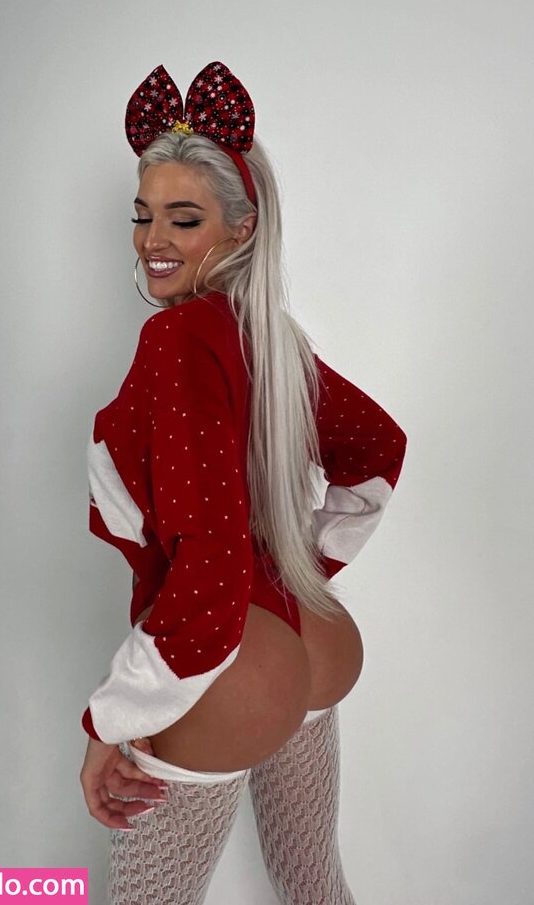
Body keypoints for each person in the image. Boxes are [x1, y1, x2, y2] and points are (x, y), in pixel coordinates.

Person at [79, 61, 408, 905]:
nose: (152, 239)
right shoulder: (270, 334)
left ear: (241, 228)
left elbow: (211, 561)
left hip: (227, 663)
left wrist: (111, 720)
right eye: (143, 214)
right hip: (312, 640)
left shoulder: (177, 341)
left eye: (183, 218)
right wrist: (303, 570)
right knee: (313, 883)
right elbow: (378, 450)